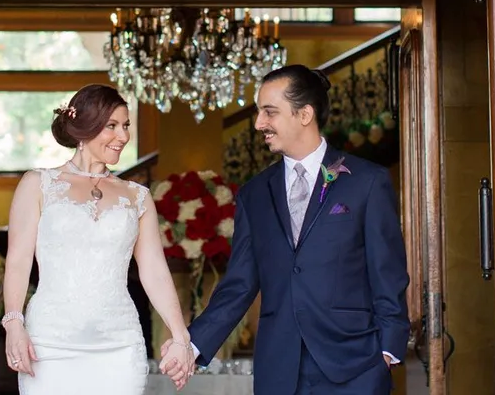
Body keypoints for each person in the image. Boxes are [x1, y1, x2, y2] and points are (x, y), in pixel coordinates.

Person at [165, 65, 409, 394]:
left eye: (269, 112)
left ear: (304, 114)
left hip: (356, 366)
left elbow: (387, 272)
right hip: (279, 370)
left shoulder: (367, 181)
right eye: (258, 113)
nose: (258, 124)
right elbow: (239, 285)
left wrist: (388, 350)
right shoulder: (253, 194)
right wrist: (191, 346)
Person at [2, 83, 195, 394]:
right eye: (112, 126)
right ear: (84, 129)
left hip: (118, 346)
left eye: (127, 126)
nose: (123, 137)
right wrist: (13, 322)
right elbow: (19, 261)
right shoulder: (37, 184)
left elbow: (155, 271)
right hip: (49, 344)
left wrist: (180, 336)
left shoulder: (138, 196)